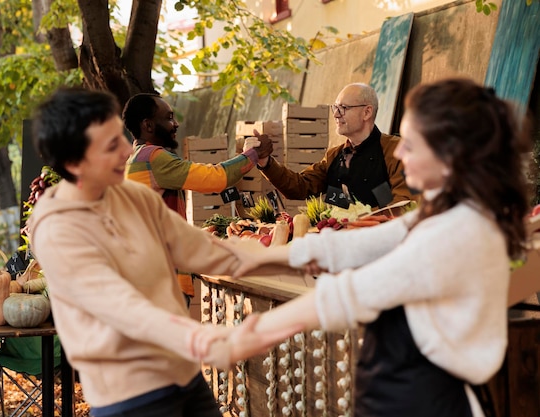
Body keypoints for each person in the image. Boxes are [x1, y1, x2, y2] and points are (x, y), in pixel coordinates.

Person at [201, 78, 531, 416]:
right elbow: (357, 244)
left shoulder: (456, 232)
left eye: (412, 144)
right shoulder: (449, 213)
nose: (401, 152)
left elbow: (351, 294)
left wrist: (249, 335)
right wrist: (265, 254)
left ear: (447, 152)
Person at [27, 87, 298, 417]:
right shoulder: (58, 229)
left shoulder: (131, 196)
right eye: (112, 144)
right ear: (74, 162)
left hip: (184, 376)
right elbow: (124, 308)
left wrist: (306, 257)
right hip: (131, 397)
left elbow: (207, 251)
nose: (127, 149)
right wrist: (203, 340)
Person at [123, 93, 273, 304]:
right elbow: (216, 178)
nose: (175, 124)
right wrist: (254, 154)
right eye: (168, 118)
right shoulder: (153, 157)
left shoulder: (134, 160)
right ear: (148, 125)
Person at [258, 83, 416, 209]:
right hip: (338, 241)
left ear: (367, 112)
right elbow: (301, 186)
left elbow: (403, 205)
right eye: (335, 108)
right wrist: (266, 163)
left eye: (343, 108)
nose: (336, 114)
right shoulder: (334, 156)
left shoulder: (395, 151)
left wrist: (355, 221)